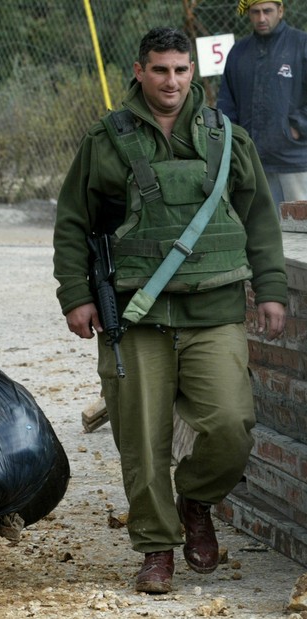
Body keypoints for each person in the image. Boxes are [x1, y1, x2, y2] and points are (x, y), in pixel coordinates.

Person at [53, 27, 287, 594]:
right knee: (141, 437)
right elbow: (73, 223)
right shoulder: (105, 140)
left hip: (215, 310)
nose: (172, 81)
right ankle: (156, 548)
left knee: (232, 425)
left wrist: (273, 287)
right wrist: (76, 294)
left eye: (181, 70)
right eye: (160, 70)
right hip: (137, 317)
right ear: (140, 71)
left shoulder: (227, 137)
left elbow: (259, 218)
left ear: (193, 72)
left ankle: (197, 501)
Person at [217, 0, 307, 215]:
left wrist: (296, 127)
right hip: (252, 163)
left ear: (281, 11)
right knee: (265, 235)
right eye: (255, 12)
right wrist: (236, 143)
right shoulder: (238, 52)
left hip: (295, 161)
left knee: (302, 235)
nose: (261, 18)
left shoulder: (301, 44)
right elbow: (226, 104)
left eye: (267, 11)